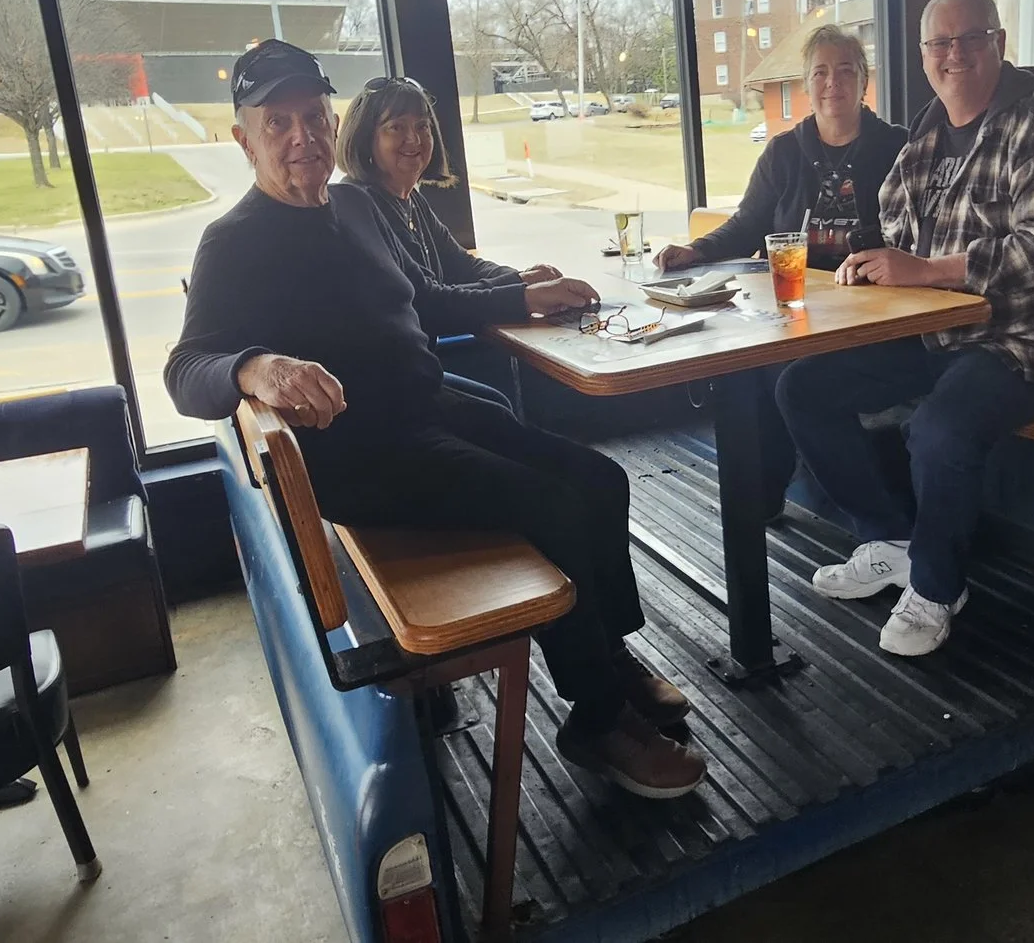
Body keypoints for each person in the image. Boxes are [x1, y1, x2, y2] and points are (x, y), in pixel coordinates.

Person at [166, 40, 707, 798]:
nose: (302, 138)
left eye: (314, 118)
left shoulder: (355, 204)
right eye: (278, 122)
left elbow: (426, 293)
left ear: (331, 122)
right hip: (362, 454)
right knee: (549, 503)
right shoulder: (233, 242)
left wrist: (522, 295)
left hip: (427, 406)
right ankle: (597, 717)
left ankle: (607, 655)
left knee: (599, 476)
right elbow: (186, 370)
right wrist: (256, 366)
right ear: (243, 138)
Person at [777, 0, 1034, 657]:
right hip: (942, 330)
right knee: (802, 387)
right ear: (925, 55)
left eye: (969, 38)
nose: (953, 54)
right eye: (939, 43)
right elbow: (895, 215)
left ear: (999, 43)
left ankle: (936, 585)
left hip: (1031, 338)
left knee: (940, 426)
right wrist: (871, 261)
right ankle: (892, 538)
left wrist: (927, 270)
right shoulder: (929, 131)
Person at [337, 74, 566, 409]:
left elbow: (462, 265)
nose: (413, 138)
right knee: (504, 415)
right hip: (383, 395)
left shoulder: (409, 200)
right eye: (396, 127)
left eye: (423, 126)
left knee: (499, 406)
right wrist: (522, 294)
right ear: (365, 138)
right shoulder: (360, 206)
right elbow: (427, 303)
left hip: (417, 373)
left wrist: (523, 276)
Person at [653, 23, 905, 274]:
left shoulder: (899, 148)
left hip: (873, 295)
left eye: (846, 70)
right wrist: (695, 250)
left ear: (863, 83)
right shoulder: (783, 152)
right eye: (819, 72)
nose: (832, 82)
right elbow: (747, 226)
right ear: (806, 85)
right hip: (794, 291)